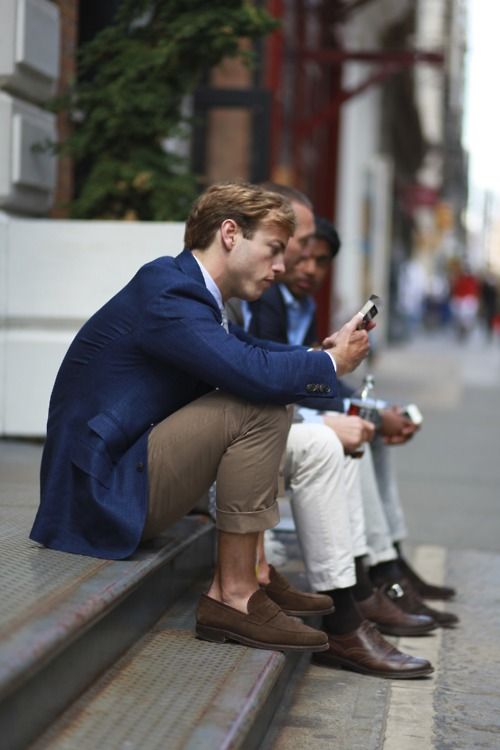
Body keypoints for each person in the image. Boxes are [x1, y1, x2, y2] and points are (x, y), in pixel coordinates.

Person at [30, 182, 372, 653]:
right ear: (230, 233)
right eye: (274, 250)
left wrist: (321, 354)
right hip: (99, 494)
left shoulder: (193, 293)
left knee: (269, 387)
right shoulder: (169, 292)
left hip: (123, 468)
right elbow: (252, 373)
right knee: (259, 402)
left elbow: (254, 353)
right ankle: (234, 594)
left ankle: (253, 574)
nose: (280, 268)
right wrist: (330, 365)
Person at [247, 205, 457, 627]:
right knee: (348, 434)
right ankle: (360, 590)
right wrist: (362, 411)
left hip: (278, 408)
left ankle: (386, 564)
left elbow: (310, 375)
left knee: (364, 427)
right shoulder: (265, 300)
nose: (305, 266)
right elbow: (270, 374)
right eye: (296, 250)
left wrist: (373, 409)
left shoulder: (295, 302)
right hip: (263, 417)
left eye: (318, 258)